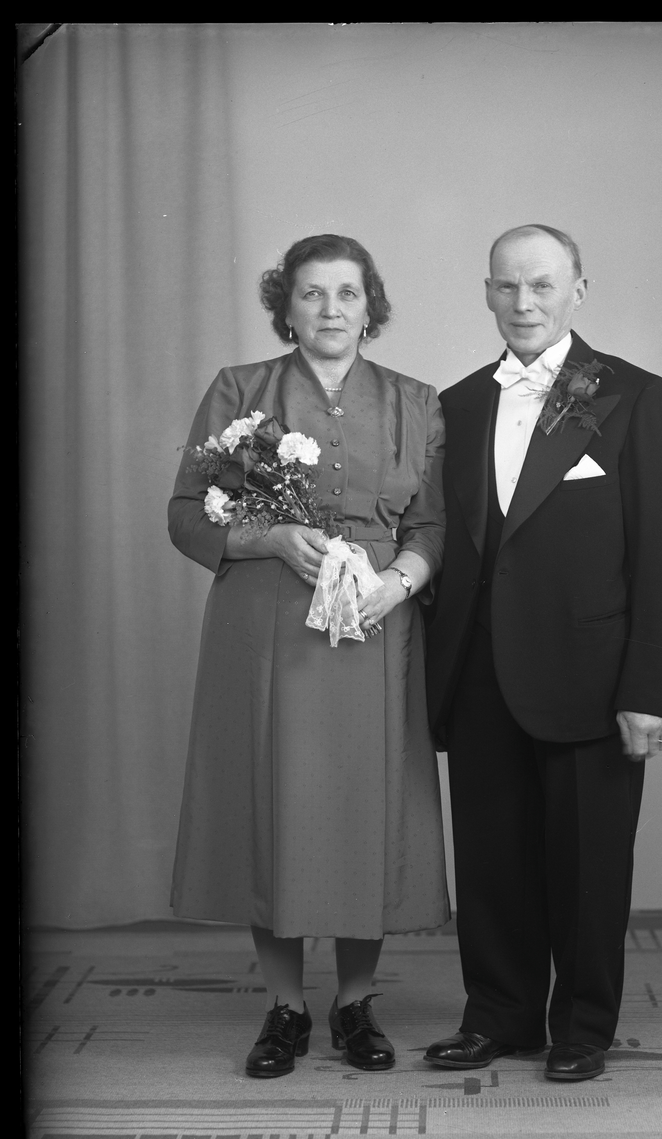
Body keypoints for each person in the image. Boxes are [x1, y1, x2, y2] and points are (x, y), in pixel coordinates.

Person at [168, 234, 448, 1078]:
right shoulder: (238, 389)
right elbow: (186, 515)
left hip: (374, 620)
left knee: (366, 804)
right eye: (312, 294)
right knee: (274, 802)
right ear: (284, 308)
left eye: (347, 294)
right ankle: (285, 1008)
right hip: (268, 625)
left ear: (371, 308)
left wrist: (399, 582)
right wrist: (267, 537)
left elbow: (434, 525)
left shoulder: (416, 401)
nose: (331, 309)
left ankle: (354, 1003)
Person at [424, 224, 662, 1081]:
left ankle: (581, 1026)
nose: (523, 302)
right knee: (491, 862)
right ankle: (498, 1016)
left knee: (587, 867)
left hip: (591, 677)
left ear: (578, 290)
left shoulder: (635, 396)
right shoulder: (457, 404)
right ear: (486, 292)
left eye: (541, 285)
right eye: (506, 286)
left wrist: (649, 689)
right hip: (479, 673)